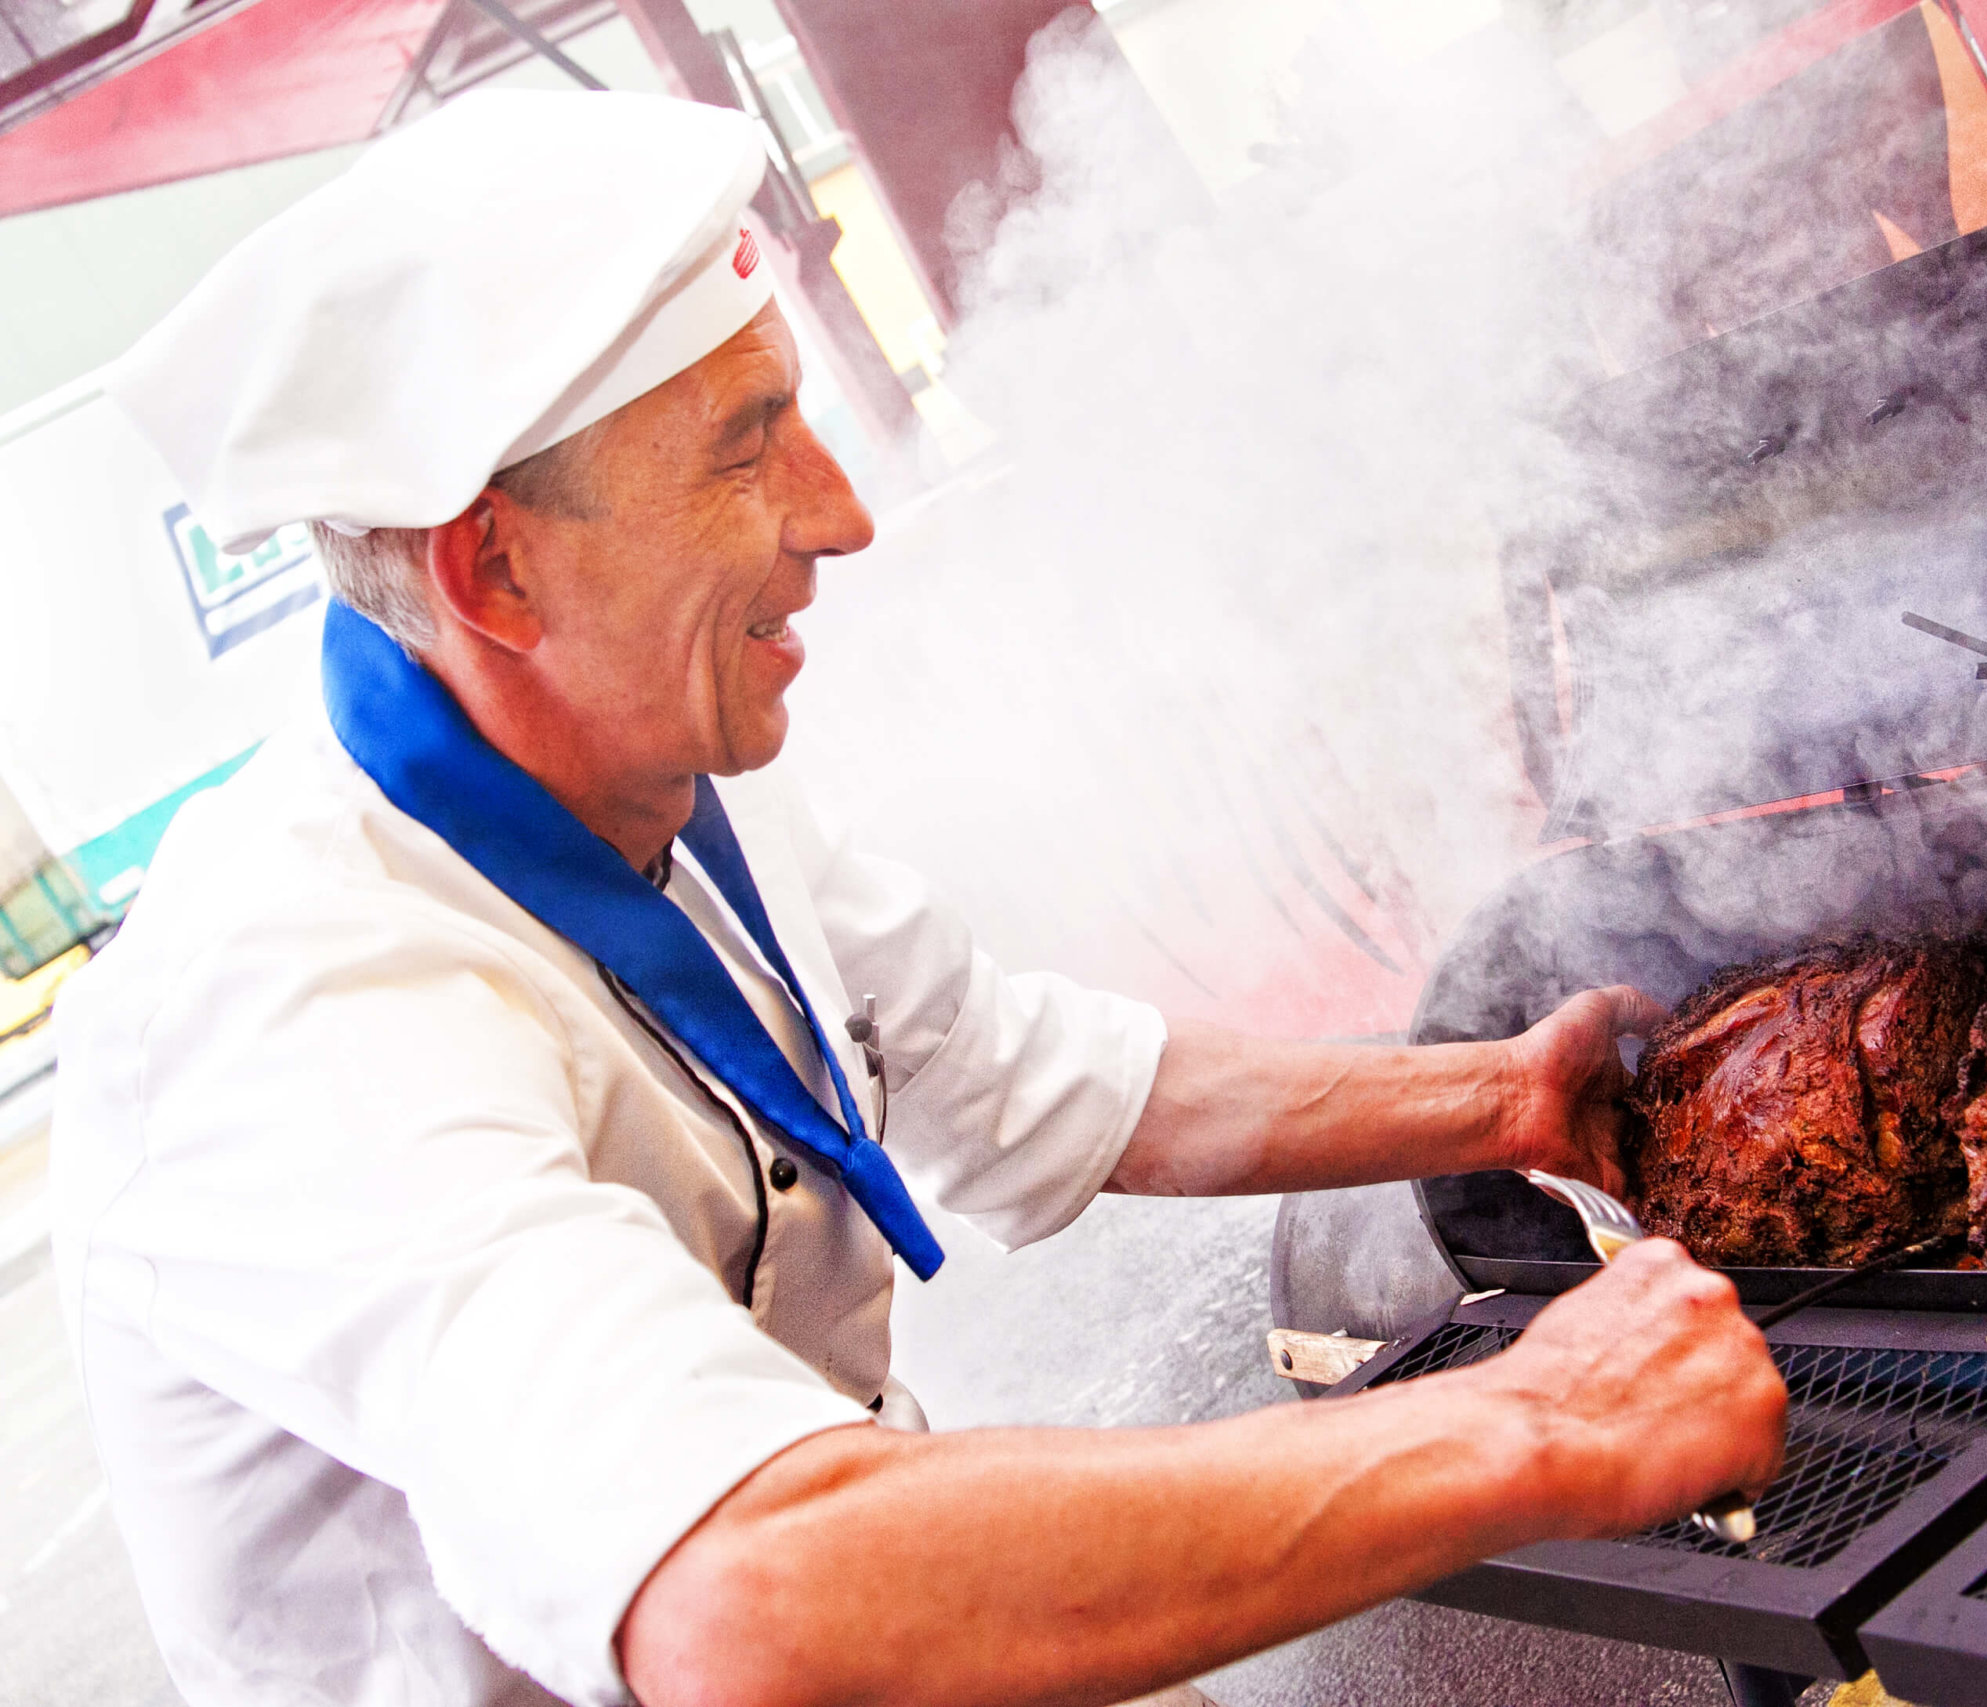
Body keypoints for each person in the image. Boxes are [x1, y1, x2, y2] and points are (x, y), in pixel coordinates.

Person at [49, 89, 1786, 1707]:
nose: (845, 515)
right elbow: (748, 1590)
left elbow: (999, 1060)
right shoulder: (288, 1019)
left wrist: (1501, 1095)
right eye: (747, 449)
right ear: (495, 567)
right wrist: (1539, 1424)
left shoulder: (656, 762)